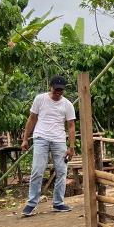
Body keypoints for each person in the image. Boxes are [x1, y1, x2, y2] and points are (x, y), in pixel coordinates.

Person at [21, 76, 76, 217]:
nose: (58, 92)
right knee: (37, 170)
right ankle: (32, 203)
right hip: (41, 138)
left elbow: (71, 126)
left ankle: (58, 202)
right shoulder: (40, 99)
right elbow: (32, 119)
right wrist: (25, 139)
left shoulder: (67, 104)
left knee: (62, 171)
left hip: (59, 140)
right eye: (56, 89)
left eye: (61, 90)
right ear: (50, 87)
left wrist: (71, 147)